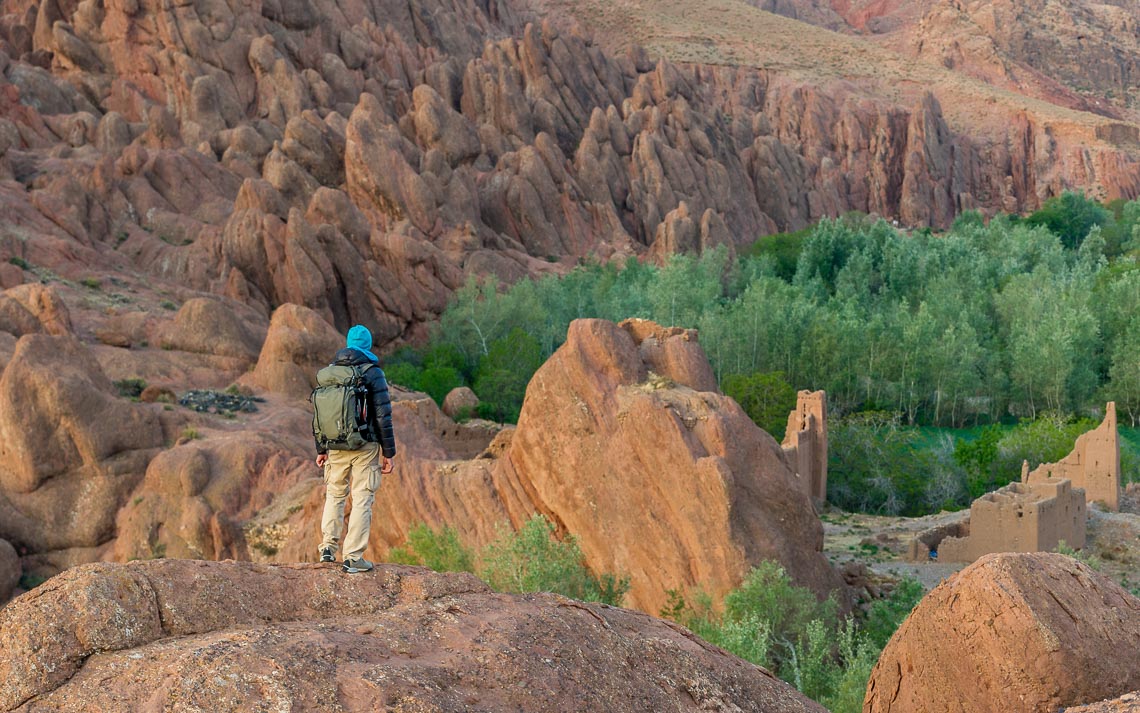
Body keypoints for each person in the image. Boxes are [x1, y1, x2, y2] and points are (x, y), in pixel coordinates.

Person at [314, 325, 396, 573]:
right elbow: (383, 416)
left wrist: (321, 448)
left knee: (335, 495)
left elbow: (319, 415)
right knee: (362, 499)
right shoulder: (373, 373)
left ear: (348, 344)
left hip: (336, 444)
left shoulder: (330, 373)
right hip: (365, 445)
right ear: (368, 345)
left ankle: (327, 548)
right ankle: (353, 558)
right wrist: (389, 453)